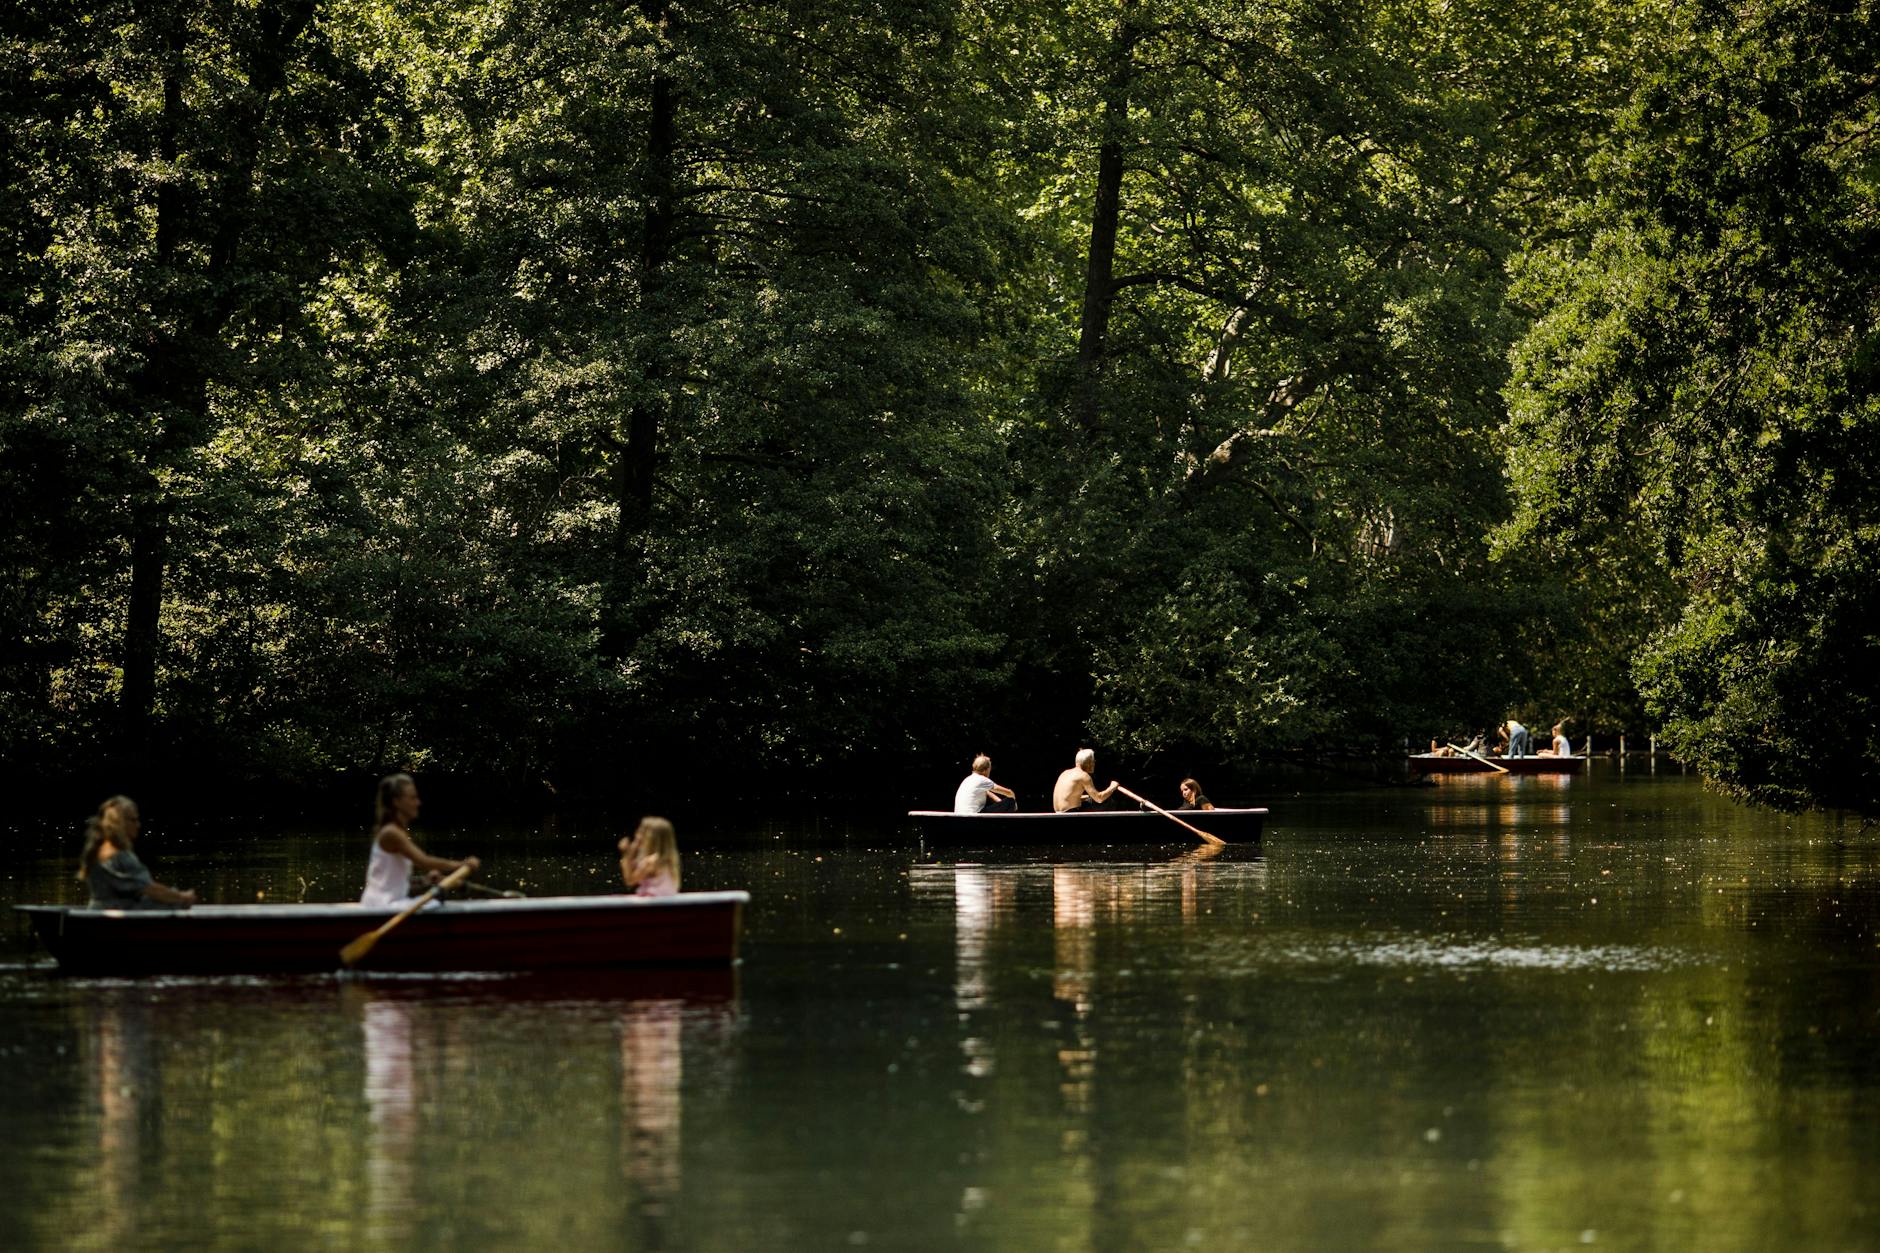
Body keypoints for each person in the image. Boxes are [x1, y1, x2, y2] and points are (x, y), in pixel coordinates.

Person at [360, 773, 479, 910]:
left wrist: (425, 881)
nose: (418, 803)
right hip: (382, 907)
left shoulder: (396, 831)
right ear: (396, 802)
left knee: (435, 903)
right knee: (437, 905)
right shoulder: (391, 833)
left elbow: (393, 882)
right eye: (413, 798)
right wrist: (462, 864)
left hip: (384, 904)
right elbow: (424, 861)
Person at [76, 795, 196, 909]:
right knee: (175, 903)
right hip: (117, 917)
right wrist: (182, 897)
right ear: (119, 823)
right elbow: (151, 889)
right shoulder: (119, 856)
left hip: (97, 911)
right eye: (133, 820)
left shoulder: (96, 850)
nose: (138, 825)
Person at [619, 816, 681, 897]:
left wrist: (627, 853)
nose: (637, 835)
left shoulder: (651, 861)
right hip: (663, 902)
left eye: (641, 832)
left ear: (650, 837)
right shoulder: (664, 859)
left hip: (655, 904)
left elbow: (629, 880)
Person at [1053, 748, 1119, 812]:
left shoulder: (1065, 773)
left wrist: (1086, 797)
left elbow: (1067, 798)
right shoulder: (1083, 776)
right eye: (1093, 761)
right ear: (1089, 763)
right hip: (1070, 813)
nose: (1094, 764)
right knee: (1108, 801)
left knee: (1089, 799)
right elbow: (1099, 798)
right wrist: (1112, 787)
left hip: (1058, 814)